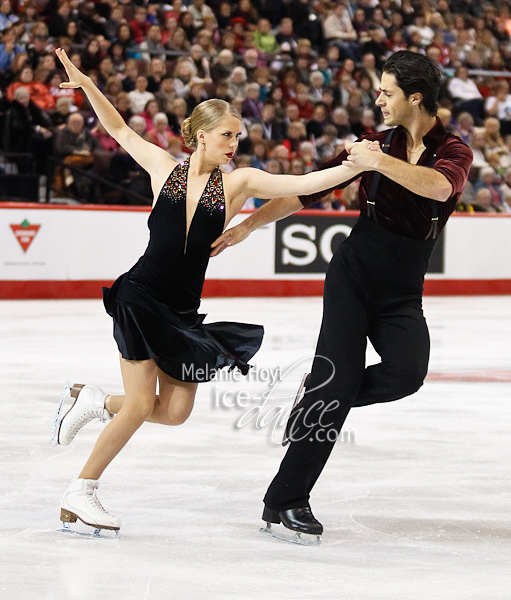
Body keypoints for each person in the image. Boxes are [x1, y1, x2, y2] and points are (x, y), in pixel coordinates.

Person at [50, 47, 362, 537]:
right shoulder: (162, 169)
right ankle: (81, 490)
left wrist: (358, 165)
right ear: (201, 136)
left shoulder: (239, 182)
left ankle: (91, 400)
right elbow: (119, 130)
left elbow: (304, 181)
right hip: (140, 297)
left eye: (238, 135)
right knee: (138, 404)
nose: (235, 142)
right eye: (227, 135)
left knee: (174, 413)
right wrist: (89, 85)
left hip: (182, 311)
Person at [211, 51, 473, 543]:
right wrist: (249, 224)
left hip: (402, 291)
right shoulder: (371, 145)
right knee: (336, 386)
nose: (378, 99)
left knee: (406, 374)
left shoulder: (451, 150)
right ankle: (284, 500)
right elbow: (305, 192)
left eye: (386, 92)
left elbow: (440, 189)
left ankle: (318, 394)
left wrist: (380, 161)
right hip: (354, 276)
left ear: (415, 98)